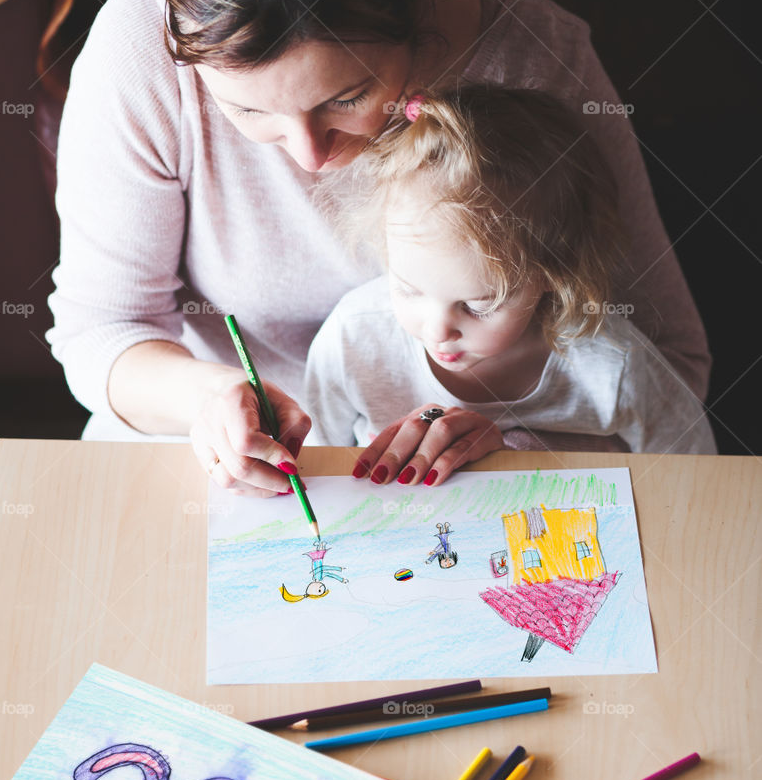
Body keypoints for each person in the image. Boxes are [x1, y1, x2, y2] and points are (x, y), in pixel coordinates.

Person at [46, 0, 711, 496]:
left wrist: (515, 442)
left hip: (466, 476)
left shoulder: (536, 60)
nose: (306, 155)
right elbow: (103, 329)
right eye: (247, 110)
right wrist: (208, 399)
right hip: (209, 455)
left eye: (346, 97)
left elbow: (667, 361)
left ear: (417, 22)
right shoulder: (141, 48)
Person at [304, 86, 716, 483]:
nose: (438, 331)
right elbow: (320, 464)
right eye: (409, 288)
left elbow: (693, 469)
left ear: (554, 274)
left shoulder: (611, 365)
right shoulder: (352, 337)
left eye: (479, 305)